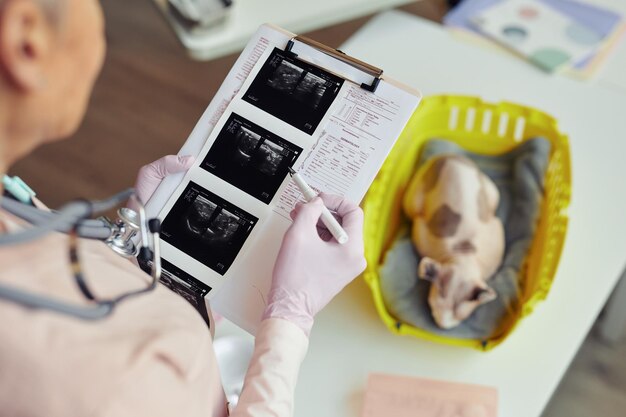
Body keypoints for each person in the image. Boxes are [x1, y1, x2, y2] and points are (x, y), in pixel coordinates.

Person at [0, 1, 366, 416]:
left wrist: (139, 254)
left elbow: (59, 277)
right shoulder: (105, 384)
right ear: (26, 39)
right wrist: (289, 316)